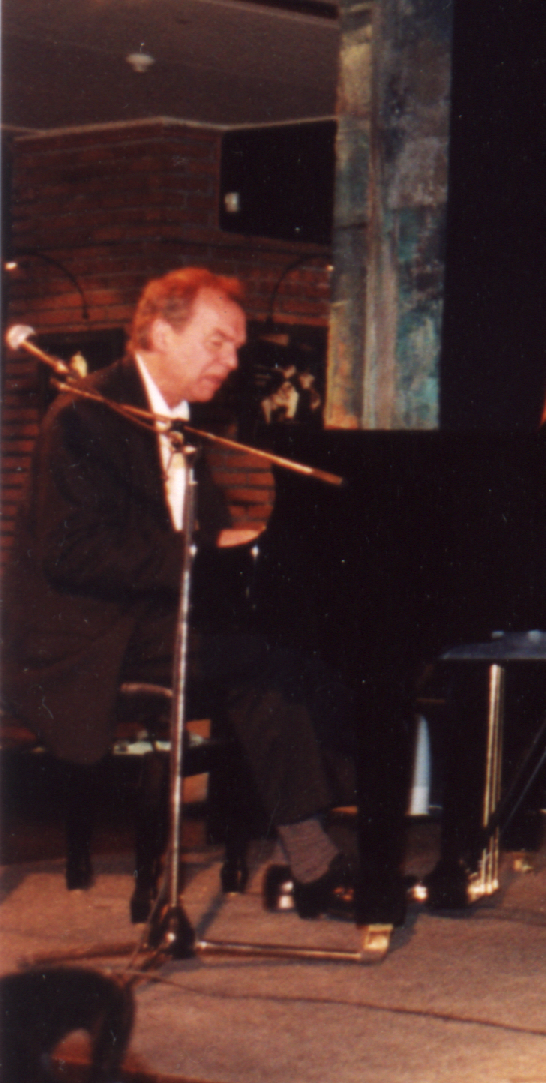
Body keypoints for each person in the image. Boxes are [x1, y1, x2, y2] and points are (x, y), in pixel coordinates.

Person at [4, 269, 359, 918]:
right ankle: (309, 856)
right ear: (161, 333)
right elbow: (71, 551)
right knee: (263, 656)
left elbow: (197, 534)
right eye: (218, 341)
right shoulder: (85, 413)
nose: (232, 360)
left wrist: (239, 540)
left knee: (300, 646)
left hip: (153, 618)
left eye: (236, 347)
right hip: (83, 633)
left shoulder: (182, 424)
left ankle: (308, 851)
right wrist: (206, 547)